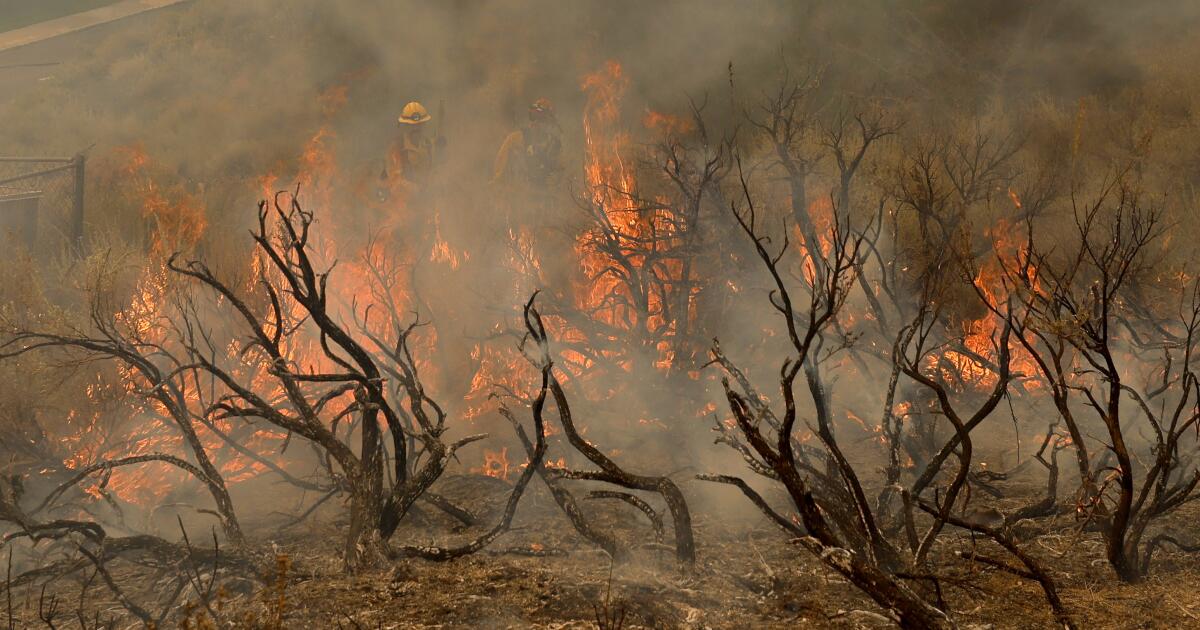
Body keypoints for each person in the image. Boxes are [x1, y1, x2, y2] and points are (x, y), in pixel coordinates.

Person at [491, 98, 562, 189]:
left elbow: (560, 175)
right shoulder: (516, 138)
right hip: (519, 193)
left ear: (550, 123)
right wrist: (497, 184)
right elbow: (499, 168)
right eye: (533, 116)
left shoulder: (555, 145)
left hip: (545, 195)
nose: (535, 122)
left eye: (541, 118)